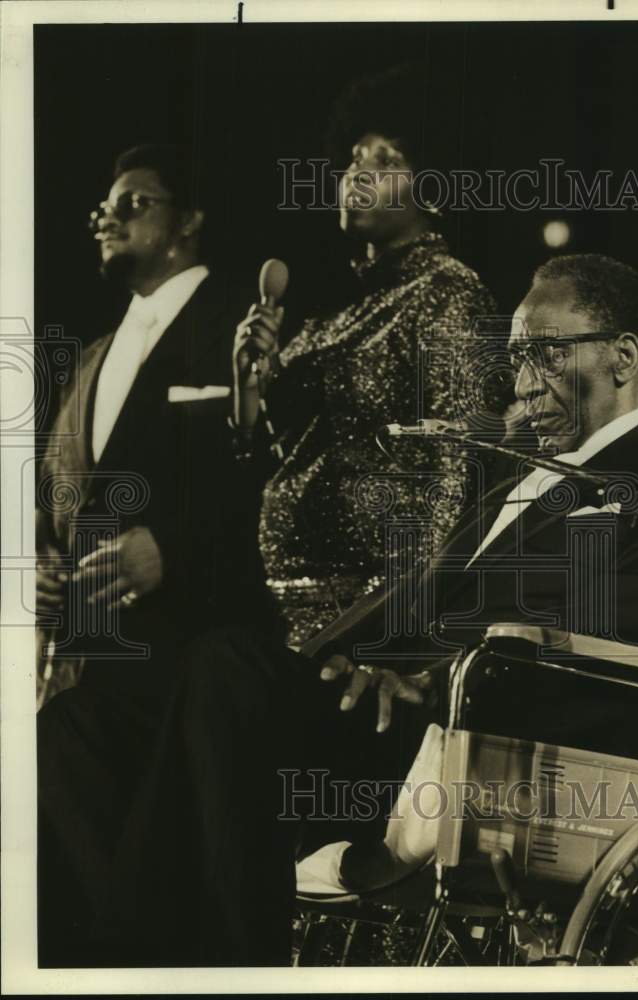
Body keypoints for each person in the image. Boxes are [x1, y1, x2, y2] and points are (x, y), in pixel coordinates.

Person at [76, 253, 638, 967]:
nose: (522, 384)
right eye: (516, 359)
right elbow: (421, 593)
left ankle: (216, 969)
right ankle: (116, 963)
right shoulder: (525, 471)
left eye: (545, 354)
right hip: (376, 709)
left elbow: (628, 619)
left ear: (623, 357)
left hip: (475, 737)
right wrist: (328, 659)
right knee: (82, 725)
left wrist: (434, 679)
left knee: (226, 673)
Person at [36, 144, 285, 966]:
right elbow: (64, 496)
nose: (107, 216)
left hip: (197, 655)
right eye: (103, 206)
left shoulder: (242, 323)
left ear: (189, 220)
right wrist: (46, 565)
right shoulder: (94, 355)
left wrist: (173, 550)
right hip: (95, 665)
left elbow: (275, 480)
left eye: (134, 201)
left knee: (190, 879)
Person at [232, 64, 498, 647]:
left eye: (386, 160)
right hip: (284, 608)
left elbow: (457, 473)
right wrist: (249, 385)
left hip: (365, 620)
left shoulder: (448, 293)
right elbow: (273, 456)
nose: (358, 173)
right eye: (354, 158)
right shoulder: (338, 309)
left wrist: (403, 631)